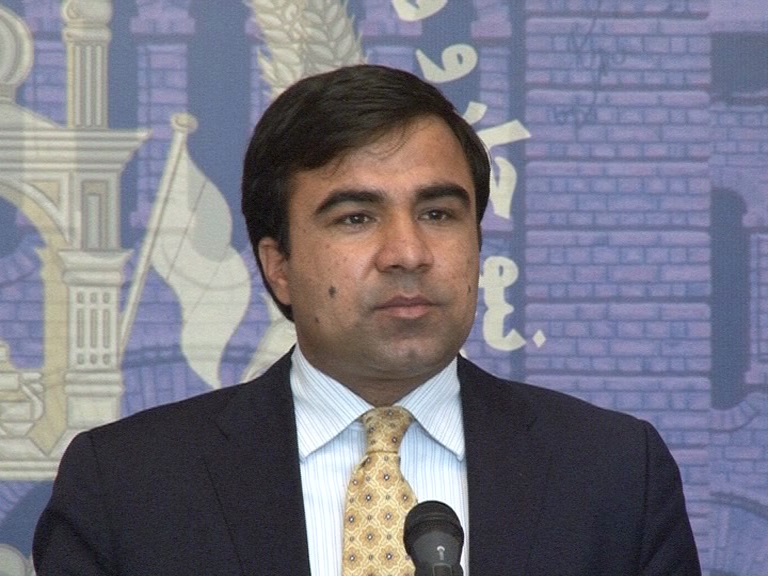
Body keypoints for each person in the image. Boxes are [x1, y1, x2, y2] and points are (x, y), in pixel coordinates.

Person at [33, 64, 701, 575]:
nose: (408, 252)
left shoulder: (613, 474)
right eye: (356, 218)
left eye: (438, 213)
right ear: (278, 266)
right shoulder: (129, 487)